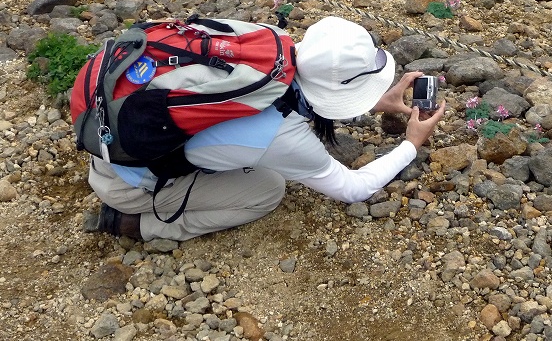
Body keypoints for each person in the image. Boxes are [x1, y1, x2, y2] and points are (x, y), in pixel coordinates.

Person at [83, 16, 446, 242]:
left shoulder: (268, 44)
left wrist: (373, 101)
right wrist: (412, 144)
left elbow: (303, 98)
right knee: (267, 188)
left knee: (256, 158)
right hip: (127, 183)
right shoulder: (282, 138)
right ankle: (137, 225)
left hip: (108, 121)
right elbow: (354, 188)